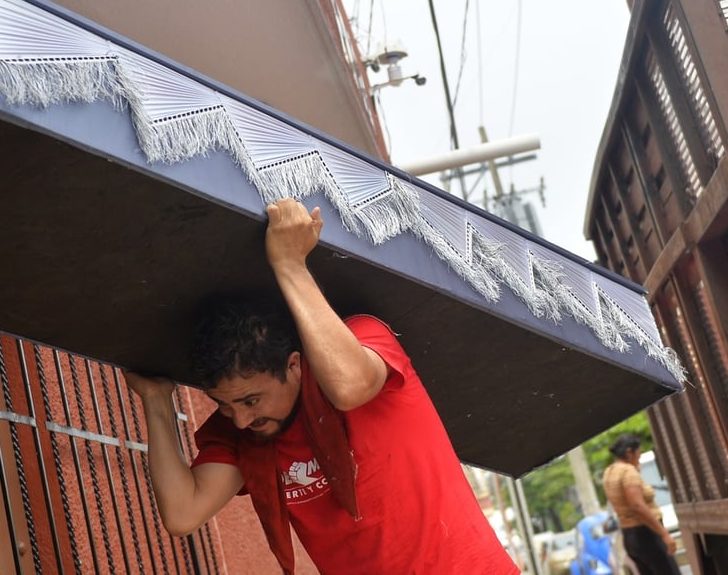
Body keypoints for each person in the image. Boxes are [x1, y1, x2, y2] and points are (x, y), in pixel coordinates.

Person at [124, 198, 516, 574]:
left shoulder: (361, 338)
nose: (241, 419)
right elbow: (182, 513)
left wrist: (291, 265)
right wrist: (156, 402)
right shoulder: (245, 433)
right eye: (224, 405)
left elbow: (348, 388)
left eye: (251, 399)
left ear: (294, 365)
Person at [602, 434, 681, 575]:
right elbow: (637, 506)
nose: (639, 456)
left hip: (630, 536)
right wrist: (664, 534)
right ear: (629, 452)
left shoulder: (609, 472)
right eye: (638, 452)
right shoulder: (628, 472)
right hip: (646, 534)